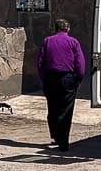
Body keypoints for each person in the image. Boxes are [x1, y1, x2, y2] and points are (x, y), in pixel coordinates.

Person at [37, 19, 87, 151]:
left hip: (50, 78)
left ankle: (55, 136)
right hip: (67, 78)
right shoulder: (73, 42)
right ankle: (63, 141)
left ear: (55, 28)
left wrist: (44, 78)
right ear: (68, 29)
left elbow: (40, 62)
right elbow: (80, 63)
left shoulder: (47, 41)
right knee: (66, 109)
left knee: (52, 108)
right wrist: (79, 78)